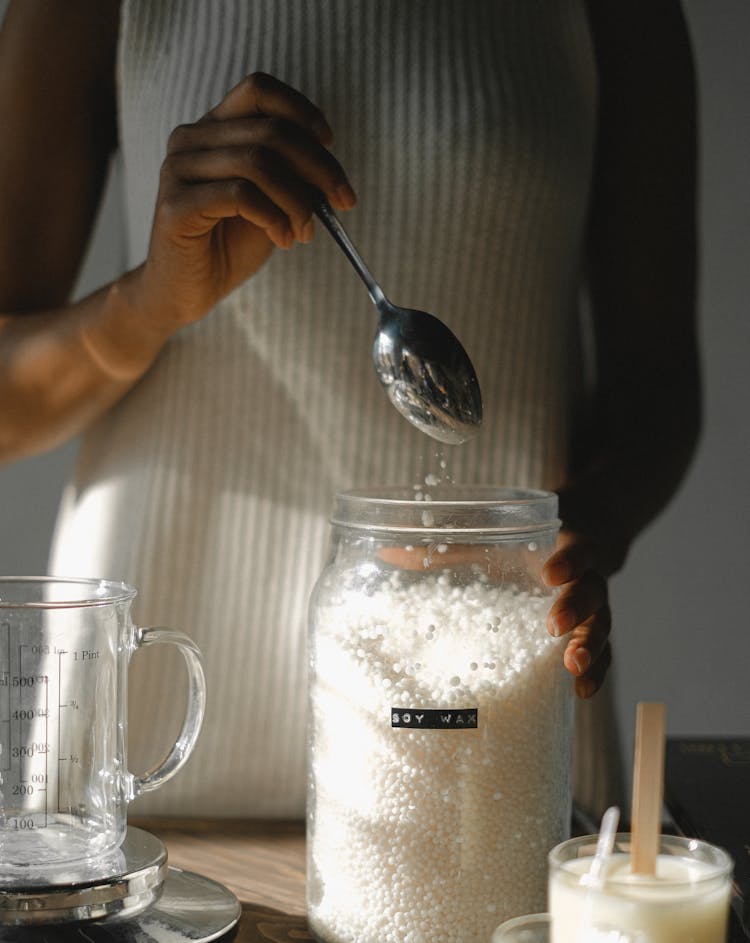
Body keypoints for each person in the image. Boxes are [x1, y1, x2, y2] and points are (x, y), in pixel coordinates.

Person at [0, 0, 699, 820]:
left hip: (488, 715)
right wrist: (150, 302)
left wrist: (582, 532)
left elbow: (657, 385)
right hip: (154, 733)